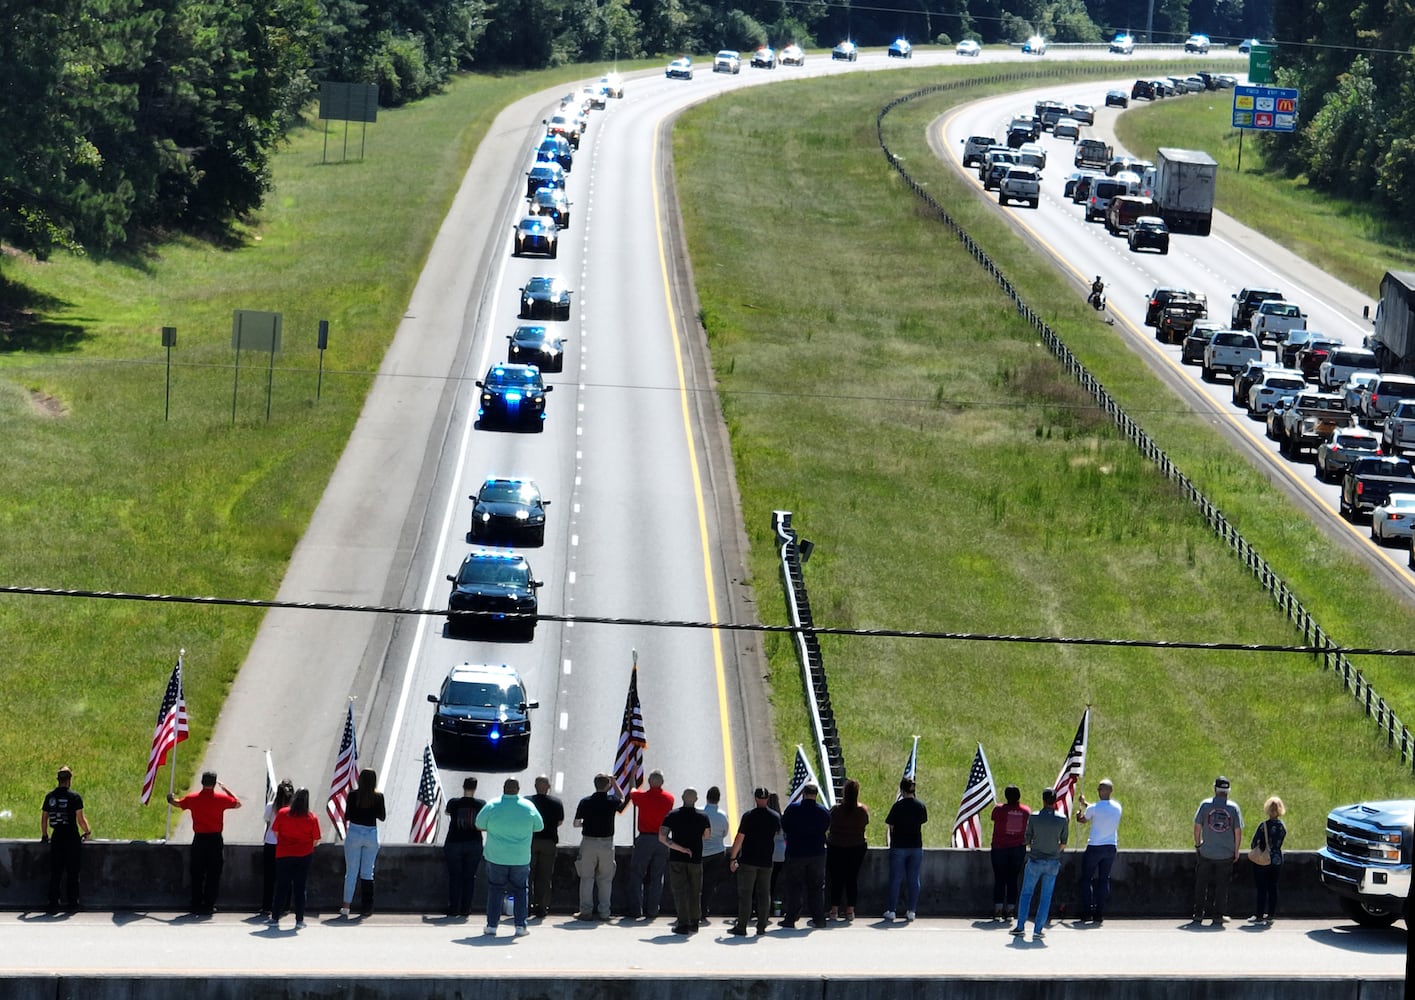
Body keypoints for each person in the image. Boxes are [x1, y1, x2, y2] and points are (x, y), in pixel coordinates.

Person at [476, 777, 544, 937]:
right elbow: (539, 826)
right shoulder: (528, 806)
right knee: (521, 891)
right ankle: (520, 926)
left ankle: (492, 925)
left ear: (503, 788)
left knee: (495, 890)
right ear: (518, 789)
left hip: (496, 856)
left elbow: (479, 824)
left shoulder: (492, 805)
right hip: (520, 857)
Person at [168, 770, 242, 914]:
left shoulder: (193, 798)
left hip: (199, 839)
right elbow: (238, 803)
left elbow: (177, 803)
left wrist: (170, 798)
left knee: (197, 872)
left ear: (202, 782)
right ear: (214, 784)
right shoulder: (221, 799)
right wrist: (226, 789)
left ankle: (196, 903)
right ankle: (209, 904)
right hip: (215, 839)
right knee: (214, 873)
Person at [1010, 787, 1068, 941]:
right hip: (1052, 862)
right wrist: (1053, 851)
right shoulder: (1062, 819)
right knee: (1045, 897)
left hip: (1035, 860)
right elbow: (1063, 843)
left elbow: (1027, 840)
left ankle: (1021, 926)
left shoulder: (1034, 817)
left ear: (1043, 800)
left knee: (1026, 894)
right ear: (1055, 801)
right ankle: (1038, 929)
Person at [728, 787, 782, 936]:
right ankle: (761, 926)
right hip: (766, 861)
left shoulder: (749, 816)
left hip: (748, 861)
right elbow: (778, 833)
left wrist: (733, 857)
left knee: (746, 894)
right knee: (764, 894)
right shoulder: (775, 816)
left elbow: (739, 838)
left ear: (756, 798)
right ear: (767, 798)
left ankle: (742, 925)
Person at [1192, 776, 1243, 926]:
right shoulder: (1233, 808)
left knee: (1201, 883)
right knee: (1222, 886)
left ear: (1215, 788)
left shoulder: (1205, 805)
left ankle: (1198, 914)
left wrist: (1198, 845)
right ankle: (1218, 915)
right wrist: (1236, 850)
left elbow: (1197, 827)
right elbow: (1238, 831)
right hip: (1226, 853)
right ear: (1228, 791)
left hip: (1206, 851)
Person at [779, 782, 831, 929]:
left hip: (796, 853)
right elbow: (827, 827)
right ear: (816, 796)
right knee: (816, 887)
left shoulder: (793, 810)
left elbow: (785, 826)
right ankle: (819, 919)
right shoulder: (823, 812)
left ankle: (791, 918)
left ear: (803, 794)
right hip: (817, 854)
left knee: (794, 886)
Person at [659, 787, 711, 933]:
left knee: (680, 891)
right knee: (695, 891)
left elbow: (662, 837)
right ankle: (695, 922)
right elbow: (707, 836)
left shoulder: (672, 815)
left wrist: (680, 848)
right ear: (696, 799)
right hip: (695, 859)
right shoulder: (703, 817)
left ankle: (683, 923)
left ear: (682, 797)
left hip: (677, 858)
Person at [41, 765, 91, 912]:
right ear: (69, 780)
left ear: (58, 780)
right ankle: (72, 903)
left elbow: (44, 819)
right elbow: (80, 819)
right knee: (72, 872)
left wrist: (45, 835)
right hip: (71, 837)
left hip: (57, 837)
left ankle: (53, 903)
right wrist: (87, 831)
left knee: (56, 871)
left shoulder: (50, 797)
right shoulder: (74, 797)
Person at [270, 787, 321, 929]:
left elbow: (275, 831)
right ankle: (299, 919)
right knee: (300, 887)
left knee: (281, 886)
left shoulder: (283, 813)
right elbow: (315, 839)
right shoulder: (311, 817)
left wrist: (285, 843)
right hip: (303, 855)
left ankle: (275, 917)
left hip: (284, 854)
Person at [572, 773, 622, 921]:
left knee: (587, 878)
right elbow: (623, 799)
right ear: (608, 786)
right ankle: (605, 912)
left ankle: (585, 911)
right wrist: (615, 782)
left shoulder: (585, 801)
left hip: (588, 842)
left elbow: (575, 823)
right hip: (606, 843)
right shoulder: (612, 800)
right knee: (605, 879)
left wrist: (585, 824)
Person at [627, 769, 674, 921]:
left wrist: (632, 777)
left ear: (649, 782)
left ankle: (636, 909)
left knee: (637, 874)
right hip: (662, 840)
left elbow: (632, 791)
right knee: (657, 876)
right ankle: (653, 910)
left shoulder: (642, 797)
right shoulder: (669, 798)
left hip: (645, 838)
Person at [1075, 778, 1122, 924]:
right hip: (1110, 847)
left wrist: (1079, 815)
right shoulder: (1117, 807)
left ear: (1101, 791)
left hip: (1095, 847)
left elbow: (1084, 819)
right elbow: (1098, 810)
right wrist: (1085, 803)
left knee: (1086, 878)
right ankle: (1099, 913)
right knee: (1104, 879)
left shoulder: (1093, 808)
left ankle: (1087, 911)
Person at [340, 768, 385, 918]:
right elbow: (382, 816)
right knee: (367, 872)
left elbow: (347, 816)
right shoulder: (378, 797)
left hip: (354, 832)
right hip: (371, 834)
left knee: (351, 873)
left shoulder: (353, 795)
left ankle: (346, 906)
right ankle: (367, 907)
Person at [882, 777, 928, 921]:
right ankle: (911, 911)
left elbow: (891, 825)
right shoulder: (920, 806)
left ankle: (892, 910)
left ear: (902, 790)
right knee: (914, 879)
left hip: (899, 846)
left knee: (896, 878)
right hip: (915, 846)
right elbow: (923, 821)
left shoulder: (898, 806)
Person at [826, 778, 869, 921]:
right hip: (856, 847)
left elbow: (829, 826)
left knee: (836, 878)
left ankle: (834, 910)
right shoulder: (862, 811)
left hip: (836, 846)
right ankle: (850, 911)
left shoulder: (836, 810)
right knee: (852, 878)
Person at [444, 777, 485, 917]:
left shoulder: (453, 803)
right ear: (475, 788)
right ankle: (466, 908)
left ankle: (453, 907)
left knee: (455, 876)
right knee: (469, 877)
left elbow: (447, 813)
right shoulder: (481, 804)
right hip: (474, 843)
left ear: (463, 786)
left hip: (454, 842)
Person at [989, 785, 1029, 920]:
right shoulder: (1025, 811)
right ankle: (1011, 910)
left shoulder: (998, 809)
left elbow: (993, 817)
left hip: (999, 848)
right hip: (1018, 849)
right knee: (1013, 879)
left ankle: (998, 909)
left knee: (999, 878)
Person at [528, 775, 564, 919]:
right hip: (549, 841)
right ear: (548, 787)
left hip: (531, 841)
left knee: (528, 875)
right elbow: (560, 821)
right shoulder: (556, 802)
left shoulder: (528, 801)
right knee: (545, 876)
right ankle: (541, 907)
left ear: (535, 786)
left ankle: (526, 905)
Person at [1251, 795, 1287, 924]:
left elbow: (1254, 843)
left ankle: (1259, 914)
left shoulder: (1263, 826)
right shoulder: (1282, 826)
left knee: (1262, 887)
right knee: (1273, 887)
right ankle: (1271, 914)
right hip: (1277, 859)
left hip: (1263, 859)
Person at [261, 779, 294, 917]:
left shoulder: (271, 806)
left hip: (270, 843)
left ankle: (267, 906)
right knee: (287, 877)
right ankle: (285, 905)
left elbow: (267, 820)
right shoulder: (293, 809)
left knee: (269, 877)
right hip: (287, 846)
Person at [699, 785, 730, 922]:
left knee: (695, 882)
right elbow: (725, 833)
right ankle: (705, 909)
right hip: (717, 853)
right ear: (718, 799)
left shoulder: (699, 813)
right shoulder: (723, 816)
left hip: (700, 852)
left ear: (706, 798)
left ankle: (694, 908)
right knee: (709, 884)